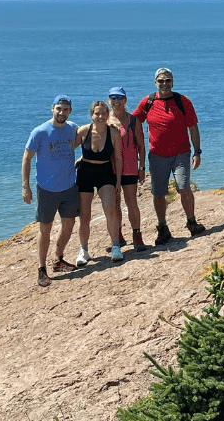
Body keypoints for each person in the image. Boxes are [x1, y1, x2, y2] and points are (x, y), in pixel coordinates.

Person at [132, 68, 206, 245]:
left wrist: (197, 152)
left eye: (168, 80)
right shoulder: (148, 102)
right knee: (158, 194)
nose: (164, 84)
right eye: (161, 81)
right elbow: (132, 122)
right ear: (155, 83)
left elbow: (193, 127)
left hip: (181, 153)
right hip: (157, 155)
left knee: (184, 188)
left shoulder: (182, 101)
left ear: (172, 82)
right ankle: (162, 228)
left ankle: (192, 222)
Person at [22, 95, 81, 287]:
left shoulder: (72, 128)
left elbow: (89, 136)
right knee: (45, 228)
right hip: (47, 189)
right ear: (52, 108)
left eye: (65, 109)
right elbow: (27, 158)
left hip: (69, 187)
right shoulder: (40, 132)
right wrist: (25, 186)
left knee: (69, 224)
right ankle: (41, 269)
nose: (62, 112)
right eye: (59, 109)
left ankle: (58, 259)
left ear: (70, 111)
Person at [73, 100, 124, 266]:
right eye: (97, 113)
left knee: (110, 210)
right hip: (85, 173)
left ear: (108, 114)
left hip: (105, 172)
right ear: (92, 115)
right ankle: (84, 251)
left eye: (104, 113)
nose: (100, 116)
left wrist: (117, 182)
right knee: (85, 216)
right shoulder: (83, 131)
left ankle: (116, 247)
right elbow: (65, 151)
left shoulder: (114, 133)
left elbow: (118, 158)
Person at [107, 87, 148, 252]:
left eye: (119, 98)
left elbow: (141, 145)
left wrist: (142, 167)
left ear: (125, 100)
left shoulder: (133, 121)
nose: (116, 101)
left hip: (130, 168)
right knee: (114, 205)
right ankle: (118, 237)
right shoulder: (104, 120)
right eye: (112, 98)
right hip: (110, 169)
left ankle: (137, 236)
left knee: (132, 203)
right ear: (109, 100)